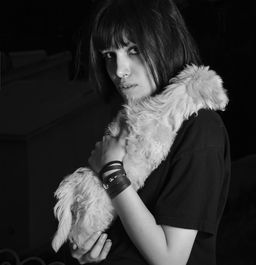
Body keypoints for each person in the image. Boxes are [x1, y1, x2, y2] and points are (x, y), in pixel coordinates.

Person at [67, 0, 230, 264]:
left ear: (167, 42)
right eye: (110, 55)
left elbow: (171, 259)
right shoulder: (130, 121)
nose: (119, 71)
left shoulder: (199, 129)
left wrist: (111, 171)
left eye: (134, 50)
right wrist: (87, 249)